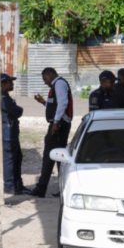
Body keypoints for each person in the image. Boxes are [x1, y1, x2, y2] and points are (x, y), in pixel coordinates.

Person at [30, 67, 73, 198]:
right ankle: (61, 188)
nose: (44, 82)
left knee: (51, 156)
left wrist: (55, 122)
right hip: (58, 124)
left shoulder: (59, 84)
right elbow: (55, 105)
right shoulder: (56, 86)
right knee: (58, 156)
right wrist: (43, 102)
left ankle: (41, 188)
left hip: (59, 126)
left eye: (45, 78)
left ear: (50, 74)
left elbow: (63, 103)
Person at [0, 73, 31, 195]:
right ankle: (10, 186)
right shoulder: (2, 98)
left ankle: (18, 185)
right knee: (10, 160)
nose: (12, 84)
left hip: (12, 133)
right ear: (3, 84)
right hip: (8, 135)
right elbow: (15, 111)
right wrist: (20, 109)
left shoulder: (6, 96)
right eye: (9, 82)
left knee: (17, 158)